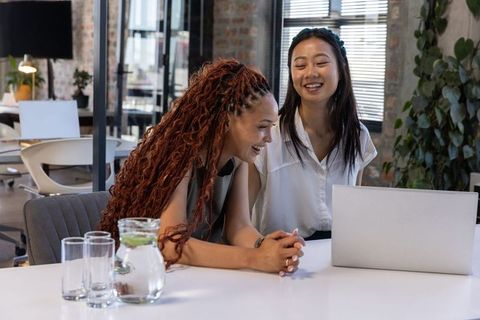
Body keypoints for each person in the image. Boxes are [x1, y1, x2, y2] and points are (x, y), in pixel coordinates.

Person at [100, 59, 304, 275]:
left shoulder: (239, 157)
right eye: (262, 127)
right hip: (149, 276)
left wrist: (266, 246)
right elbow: (170, 244)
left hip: (200, 275)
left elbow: (239, 228)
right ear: (227, 119)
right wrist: (256, 258)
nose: (269, 139)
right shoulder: (179, 153)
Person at [249, 28, 377, 240]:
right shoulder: (267, 137)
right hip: (279, 261)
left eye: (321, 63)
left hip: (336, 261)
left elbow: (353, 215)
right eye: (300, 65)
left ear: (341, 68)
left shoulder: (358, 136)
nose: (310, 73)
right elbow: (240, 223)